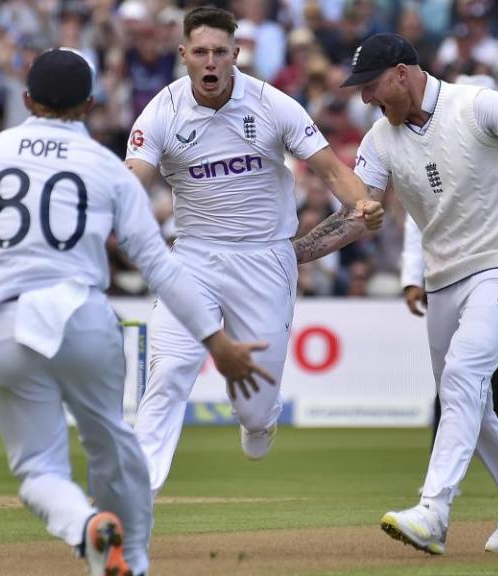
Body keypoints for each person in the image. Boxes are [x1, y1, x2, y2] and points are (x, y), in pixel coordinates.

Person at [0, 47, 274, 576]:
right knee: (115, 450)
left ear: (25, 99)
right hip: (84, 319)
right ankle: (132, 560)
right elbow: (158, 264)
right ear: (88, 104)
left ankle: (85, 527)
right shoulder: (106, 166)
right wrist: (214, 341)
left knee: (38, 468)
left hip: (8, 328)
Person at [293, 34, 498, 555]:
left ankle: (434, 509)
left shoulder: (477, 103)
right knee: (466, 395)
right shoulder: (380, 139)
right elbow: (360, 216)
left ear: (402, 73)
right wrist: (291, 255)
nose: (365, 99)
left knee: (464, 376)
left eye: (372, 86)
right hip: (444, 277)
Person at [123, 6, 383, 496]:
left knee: (254, 407)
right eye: (200, 52)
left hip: (265, 259)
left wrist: (363, 204)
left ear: (235, 54)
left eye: (220, 52)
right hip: (194, 258)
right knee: (170, 373)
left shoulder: (272, 104)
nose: (210, 62)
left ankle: (261, 421)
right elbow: (132, 177)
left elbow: (330, 171)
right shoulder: (161, 110)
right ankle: (135, 498)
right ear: (183, 55)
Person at [402, 75, 498, 464]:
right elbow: (416, 218)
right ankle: (442, 462)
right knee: (449, 378)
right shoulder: (437, 151)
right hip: (449, 275)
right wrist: (412, 277)